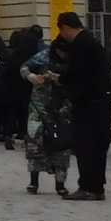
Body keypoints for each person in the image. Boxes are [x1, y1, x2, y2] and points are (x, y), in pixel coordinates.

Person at [56, 10, 111, 200]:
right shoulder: (93, 41)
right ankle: (97, 187)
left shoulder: (80, 44)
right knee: (97, 145)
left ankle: (87, 186)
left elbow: (77, 72)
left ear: (64, 28)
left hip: (88, 102)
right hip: (100, 100)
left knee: (85, 144)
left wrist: (61, 78)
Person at [24, 48, 70, 196]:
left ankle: (60, 184)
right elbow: (24, 67)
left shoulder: (74, 58)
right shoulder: (43, 56)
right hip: (38, 105)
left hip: (63, 106)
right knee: (35, 143)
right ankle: (33, 182)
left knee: (62, 145)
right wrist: (31, 76)